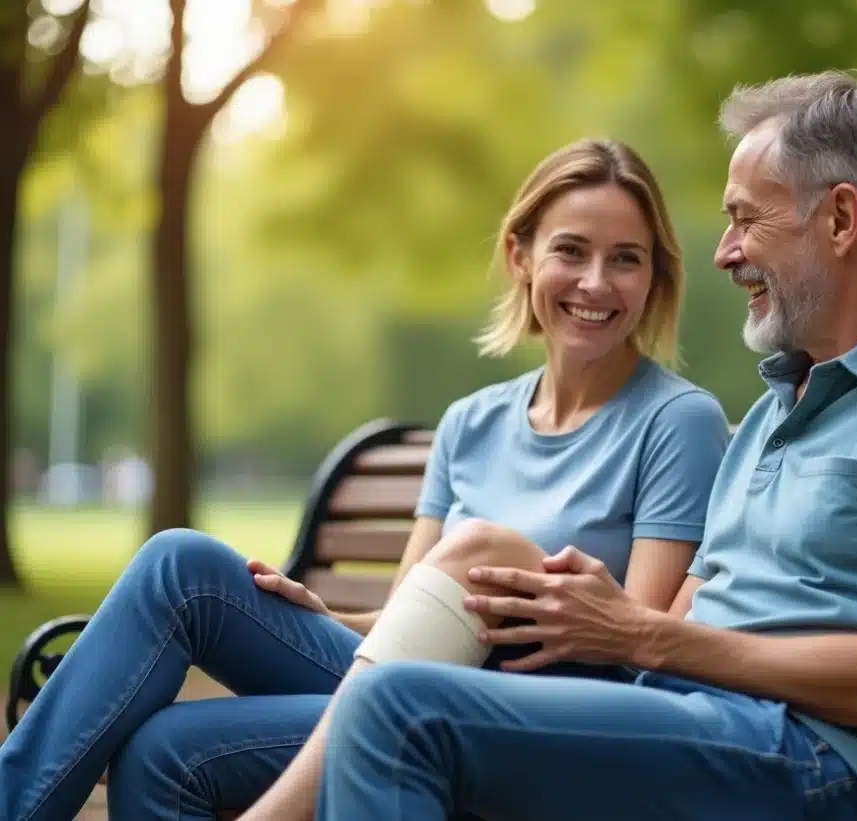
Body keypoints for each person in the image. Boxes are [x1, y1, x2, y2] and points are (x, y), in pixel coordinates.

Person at [310, 70, 857, 821]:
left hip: (814, 760)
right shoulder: (781, 406)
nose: (724, 252)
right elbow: (683, 622)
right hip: (697, 723)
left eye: (745, 219)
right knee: (229, 695)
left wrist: (643, 634)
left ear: (839, 220)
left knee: (397, 711)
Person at [0, 138, 731, 821]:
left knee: (169, 748)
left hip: (535, 710)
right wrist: (325, 613)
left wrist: (512, 578)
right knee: (178, 565)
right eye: (571, 250)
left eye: (627, 259)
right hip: (396, 675)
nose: (597, 282)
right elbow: (406, 621)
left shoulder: (677, 420)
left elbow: (641, 640)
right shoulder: (471, 422)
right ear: (520, 255)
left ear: (655, 277)